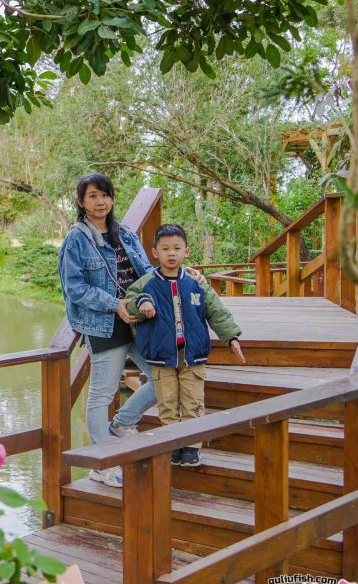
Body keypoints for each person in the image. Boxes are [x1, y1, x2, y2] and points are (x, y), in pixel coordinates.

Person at [58, 173, 159, 489]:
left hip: (138, 320)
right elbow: (74, 287)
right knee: (101, 394)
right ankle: (101, 464)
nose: (99, 201)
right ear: (81, 202)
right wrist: (114, 304)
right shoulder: (76, 239)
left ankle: (122, 424)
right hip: (104, 323)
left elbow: (145, 273)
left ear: (112, 198)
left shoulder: (125, 233)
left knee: (163, 376)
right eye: (91, 196)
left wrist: (179, 276)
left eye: (104, 195)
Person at [125, 224, 244, 467]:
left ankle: (191, 446)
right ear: (155, 252)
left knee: (193, 401)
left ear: (186, 251)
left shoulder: (195, 282)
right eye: (165, 248)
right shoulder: (147, 282)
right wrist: (143, 303)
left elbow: (216, 310)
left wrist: (231, 337)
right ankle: (173, 444)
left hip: (193, 354)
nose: (171, 253)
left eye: (177, 248)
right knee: (167, 403)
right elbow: (130, 301)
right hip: (161, 356)